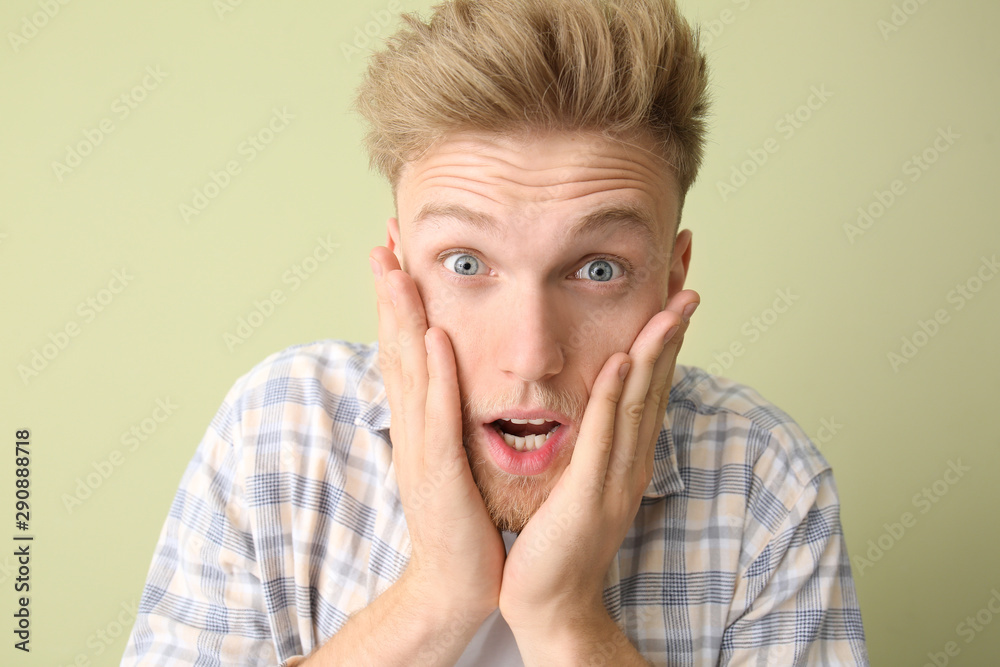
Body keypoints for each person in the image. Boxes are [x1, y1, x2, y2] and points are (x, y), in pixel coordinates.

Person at [122, 0, 869, 664]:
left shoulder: (766, 485)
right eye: (468, 262)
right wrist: (434, 598)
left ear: (671, 283)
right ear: (398, 275)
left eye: (599, 269)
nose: (530, 356)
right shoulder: (278, 433)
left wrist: (566, 620)